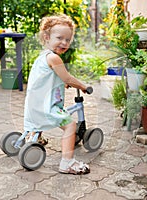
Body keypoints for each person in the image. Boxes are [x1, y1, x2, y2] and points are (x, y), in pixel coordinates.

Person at [23, 14, 90, 175]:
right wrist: (82, 86)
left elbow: (49, 78)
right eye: (59, 38)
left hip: (34, 106)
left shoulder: (43, 57)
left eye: (68, 39)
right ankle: (67, 163)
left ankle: (34, 136)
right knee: (70, 125)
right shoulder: (54, 58)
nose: (64, 43)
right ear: (46, 37)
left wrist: (62, 82)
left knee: (51, 118)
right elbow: (66, 77)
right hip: (45, 108)